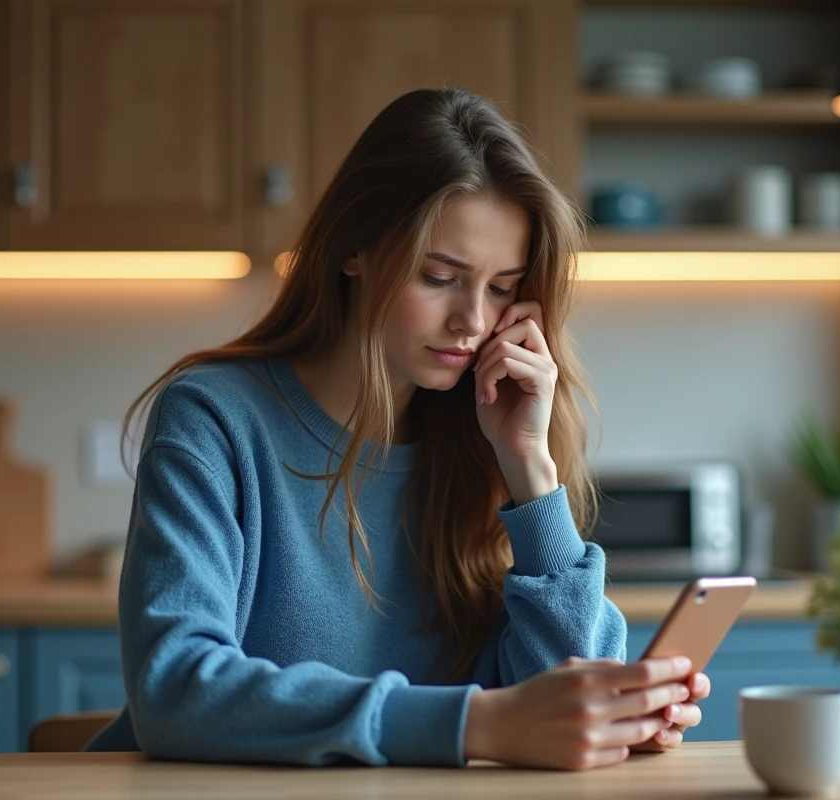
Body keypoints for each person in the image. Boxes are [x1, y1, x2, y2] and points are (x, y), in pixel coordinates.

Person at [85, 87, 710, 769]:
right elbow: (174, 690)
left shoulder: (479, 442)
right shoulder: (215, 417)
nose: (473, 321)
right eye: (441, 276)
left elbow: (561, 704)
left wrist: (530, 470)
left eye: (502, 287)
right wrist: (477, 723)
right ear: (356, 249)